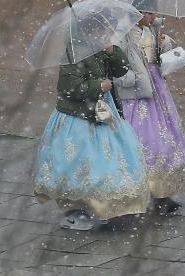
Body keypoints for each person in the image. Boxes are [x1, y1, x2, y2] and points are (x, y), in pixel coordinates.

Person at [33, 38, 151, 231]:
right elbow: (67, 88)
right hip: (79, 116)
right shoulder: (74, 53)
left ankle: (104, 206)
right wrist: (98, 86)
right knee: (83, 163)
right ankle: (80, 210)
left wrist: (113, 52)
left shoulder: (102, 48)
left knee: (109, 160)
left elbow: (121, 70)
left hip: (104, 111)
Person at [113, 0, 185, 214]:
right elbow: (118, 65)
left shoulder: (153, 29)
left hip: (157, 89)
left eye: (153, 12)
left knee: (165, 139)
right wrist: (133, 76)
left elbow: (157, 57)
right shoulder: (123, 34)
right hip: (136, 94)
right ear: (135, 13)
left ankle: (161, 193)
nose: (152, 16)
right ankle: (132, 192)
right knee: (142, 140)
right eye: (147, 12)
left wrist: (164, 44)